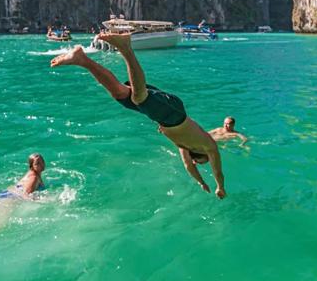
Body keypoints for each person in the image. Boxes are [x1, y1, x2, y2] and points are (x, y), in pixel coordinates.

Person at [50, 33, 226, 199]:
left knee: (119, 93)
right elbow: (217, 169)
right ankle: (126, 48)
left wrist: (202, 183)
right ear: (202, 155)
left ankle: (82, 59)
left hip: (162, 116)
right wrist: (220, 186)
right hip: (174, 113)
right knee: (139, 97)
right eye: (203, 162)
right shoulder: (208, 145)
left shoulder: (184, 147)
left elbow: (189, 167)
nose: (200, 163)